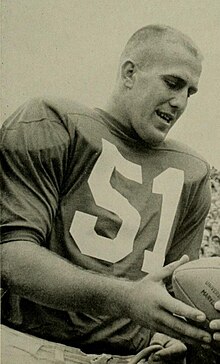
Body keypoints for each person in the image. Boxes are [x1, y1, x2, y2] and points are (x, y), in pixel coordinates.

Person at [1, 24, 220, 363]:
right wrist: (126, 299)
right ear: (130, 73)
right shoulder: (51, 121)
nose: (179, 102)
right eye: (173, 83)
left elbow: (178, 288)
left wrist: (177, 337)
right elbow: (10, 257)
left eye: (190, 92)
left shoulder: (193, 172)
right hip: (26, 345)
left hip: (132, 357)